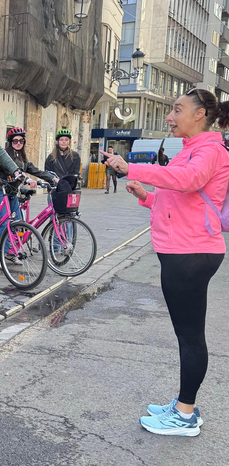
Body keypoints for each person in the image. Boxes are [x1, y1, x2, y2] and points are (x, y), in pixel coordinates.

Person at [102, 87, 229, 437]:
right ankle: (184, 405)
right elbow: (178, 198)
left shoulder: (210, 150)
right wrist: (146, 196)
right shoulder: (190, 150)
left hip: (191, 253)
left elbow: (188, 182)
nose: (170, 117)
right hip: (181, 250)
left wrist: (134, 169)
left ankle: (186, 414)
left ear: (200, 114)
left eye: (176, 110)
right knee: (186, 334)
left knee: (190, 337)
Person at [0, 127, 56, 269]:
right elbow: (13, 171)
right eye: (15, 140)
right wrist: (26, 179)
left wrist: (52, 179)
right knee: (4, 223)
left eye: (21, 140)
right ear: (10, 142)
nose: (18, 143)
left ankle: (11, 253)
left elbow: (35, 170)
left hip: (12, 193)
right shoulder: (4, 156)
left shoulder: (23, 158)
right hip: (0, 191)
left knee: (18, 223)